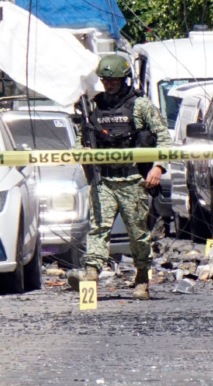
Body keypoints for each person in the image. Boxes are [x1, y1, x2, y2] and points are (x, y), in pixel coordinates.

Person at [68, 54, 171, 300]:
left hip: (133, 180)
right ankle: (91, 275)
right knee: (98, 228)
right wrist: (84, 153)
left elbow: (164, 138)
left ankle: (142, 278)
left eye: (113, 80)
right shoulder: (93, 106)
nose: (108, 84)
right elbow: (77, 144)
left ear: (123, 79)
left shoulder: (141, 105)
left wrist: (158, 167)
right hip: (103, 179)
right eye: (105, 80)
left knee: (137, 232)